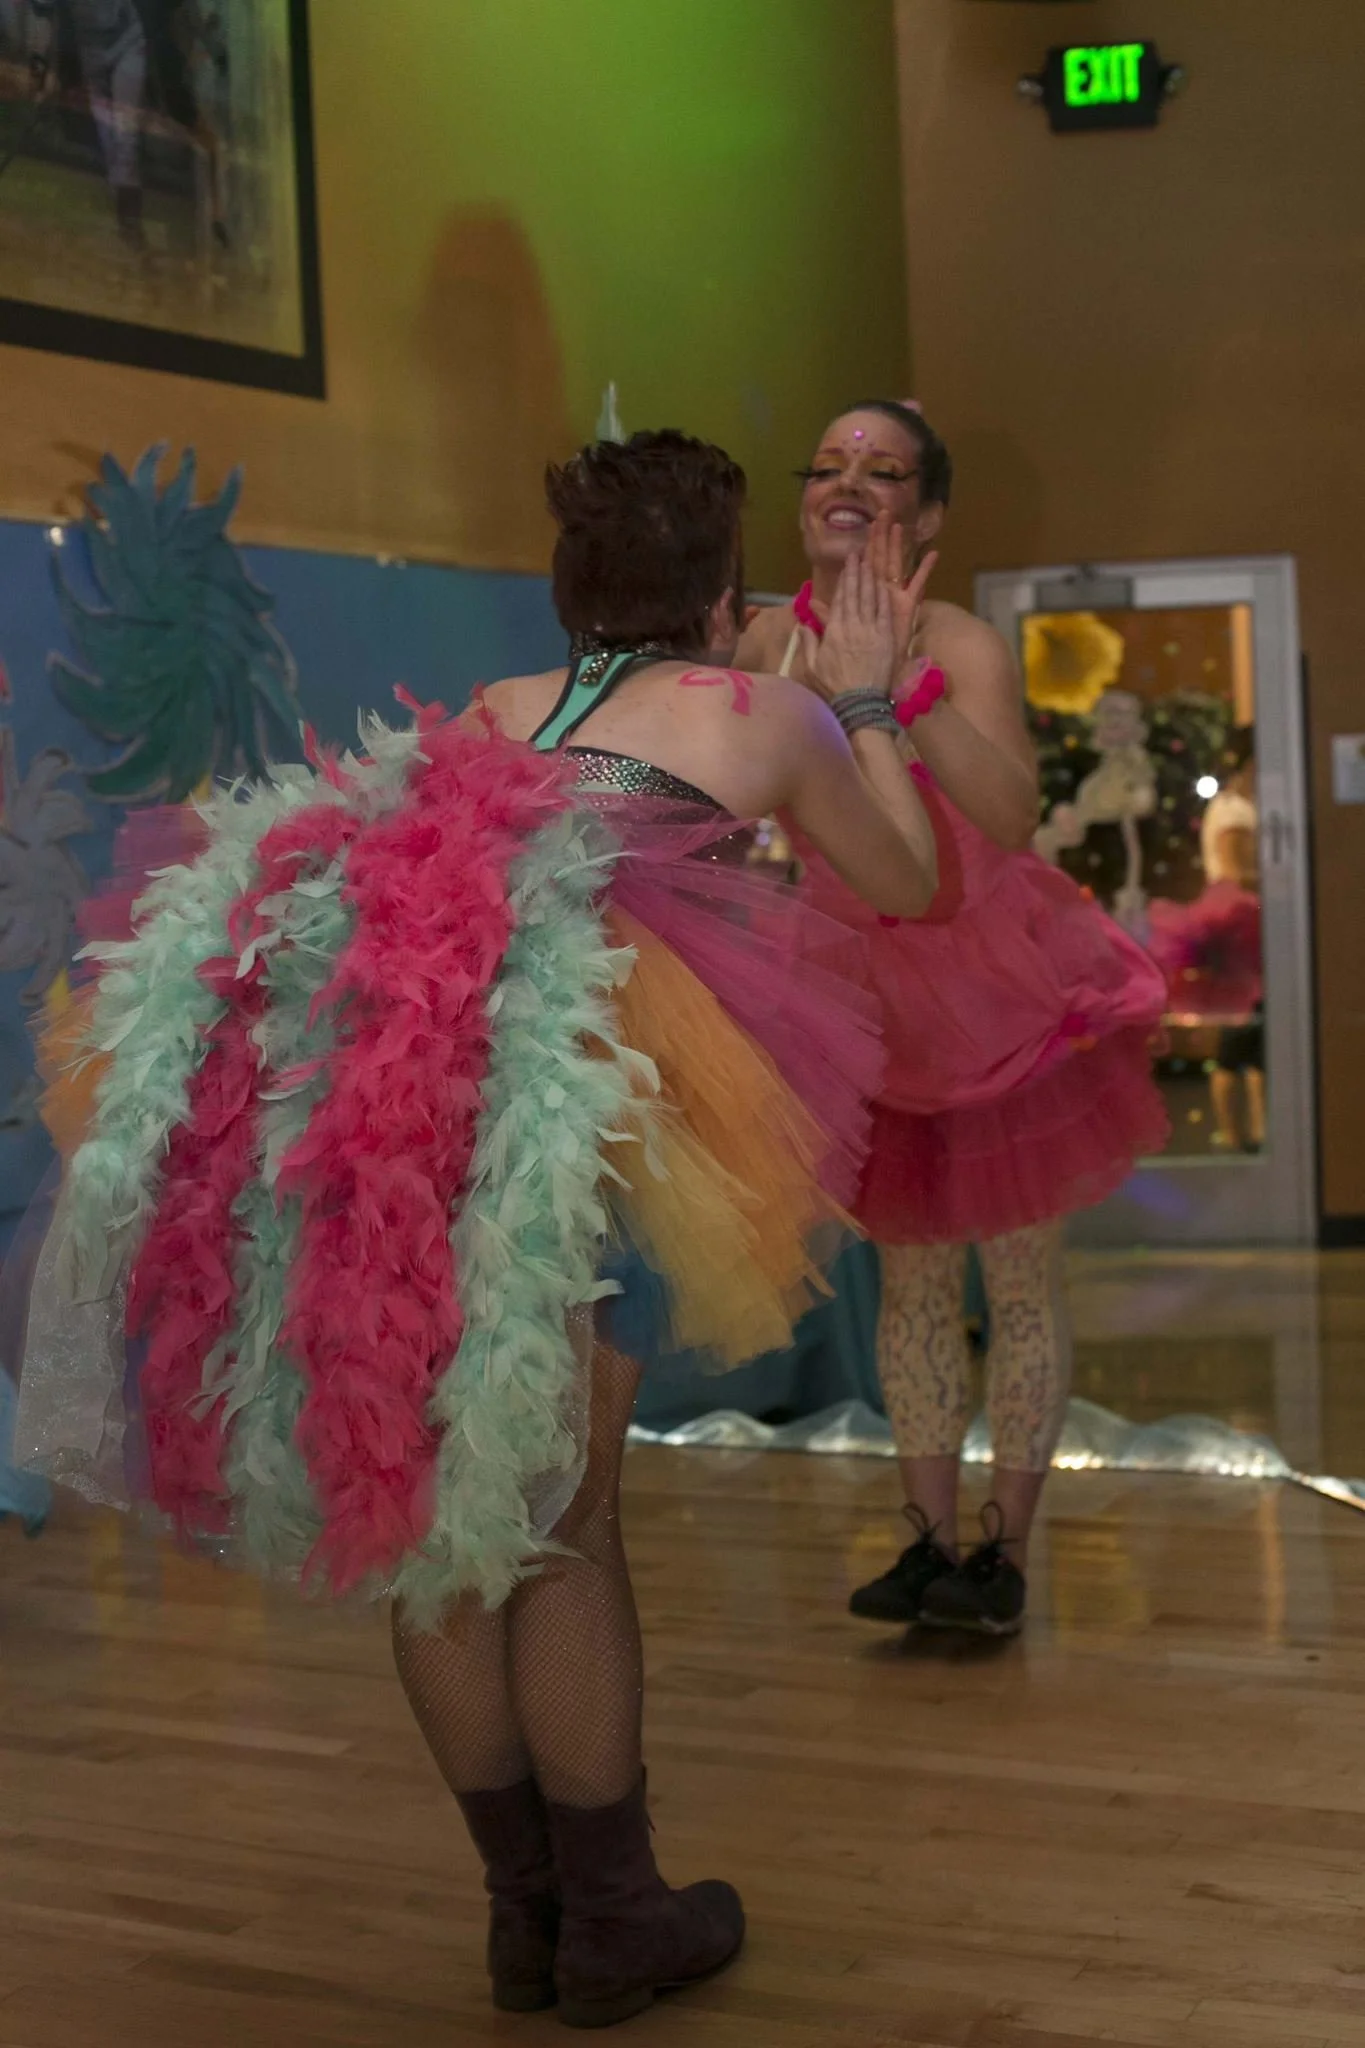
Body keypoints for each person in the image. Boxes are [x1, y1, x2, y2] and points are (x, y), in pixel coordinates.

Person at [14, 430, 937, 2028]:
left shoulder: (501, 708)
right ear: (721, 590)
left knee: (441, 1518)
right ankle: (615, 1918)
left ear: (571, 585)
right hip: (599, 1127)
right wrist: (862, 699)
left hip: (417, 1128)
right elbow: (910, 879)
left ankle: (527, 1915)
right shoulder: (760, 713)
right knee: (566, 1523)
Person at [741, 401, 1169, 1638]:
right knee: (912, 1281)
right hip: (860, 994)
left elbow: (1012, 812)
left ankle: (1004, 1551)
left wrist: (895, 691)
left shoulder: (962, 641)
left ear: (925, 515)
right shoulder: (768, 638)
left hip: (993, 986)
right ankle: (928, 1541)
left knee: (1019, 1278)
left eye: (882, 470)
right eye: (829, 464)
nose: (848, 481)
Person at [27, 0, 149, 247]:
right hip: (91, 52)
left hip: (128, 40)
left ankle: (129, 216)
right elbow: (44, 17)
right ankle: (122, 198)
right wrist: (40, 65)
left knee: (125, 132)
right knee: (108, 135)